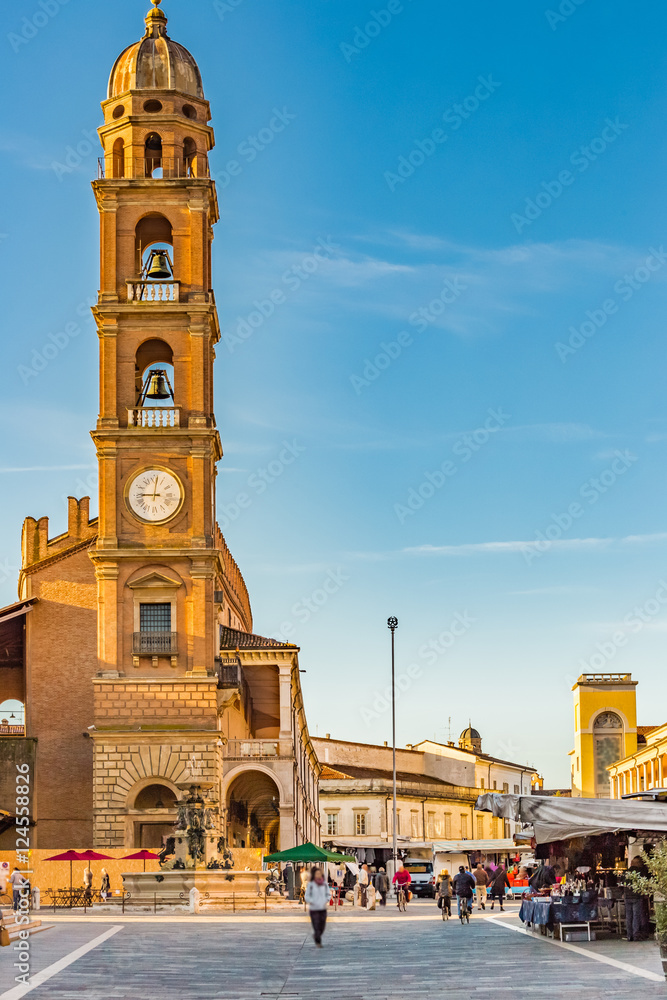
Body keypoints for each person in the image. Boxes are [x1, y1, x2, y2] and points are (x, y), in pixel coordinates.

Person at [624, 856, 650, 942]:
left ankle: (629, 935)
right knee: (636, 916)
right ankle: (635, 934)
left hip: (627, 896)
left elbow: (621, 884)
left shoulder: (625, 872)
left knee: (629, 916)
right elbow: (644, 883)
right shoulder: (640, 872)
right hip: (637, 896)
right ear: (638, 863)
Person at [305, 867, 331, 947]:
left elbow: (328, 894)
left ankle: (317, 935)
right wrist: (312, 901)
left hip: (322, 908)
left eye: (319, 873)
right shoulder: (311, 884)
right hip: (314, 908)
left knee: (322, 926)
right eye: (317, 874)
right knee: (316, 925)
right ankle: (318, 941)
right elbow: (307, 896)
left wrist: (326, 900)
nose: (318, 875)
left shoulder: (325, 884)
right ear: (314, 875)